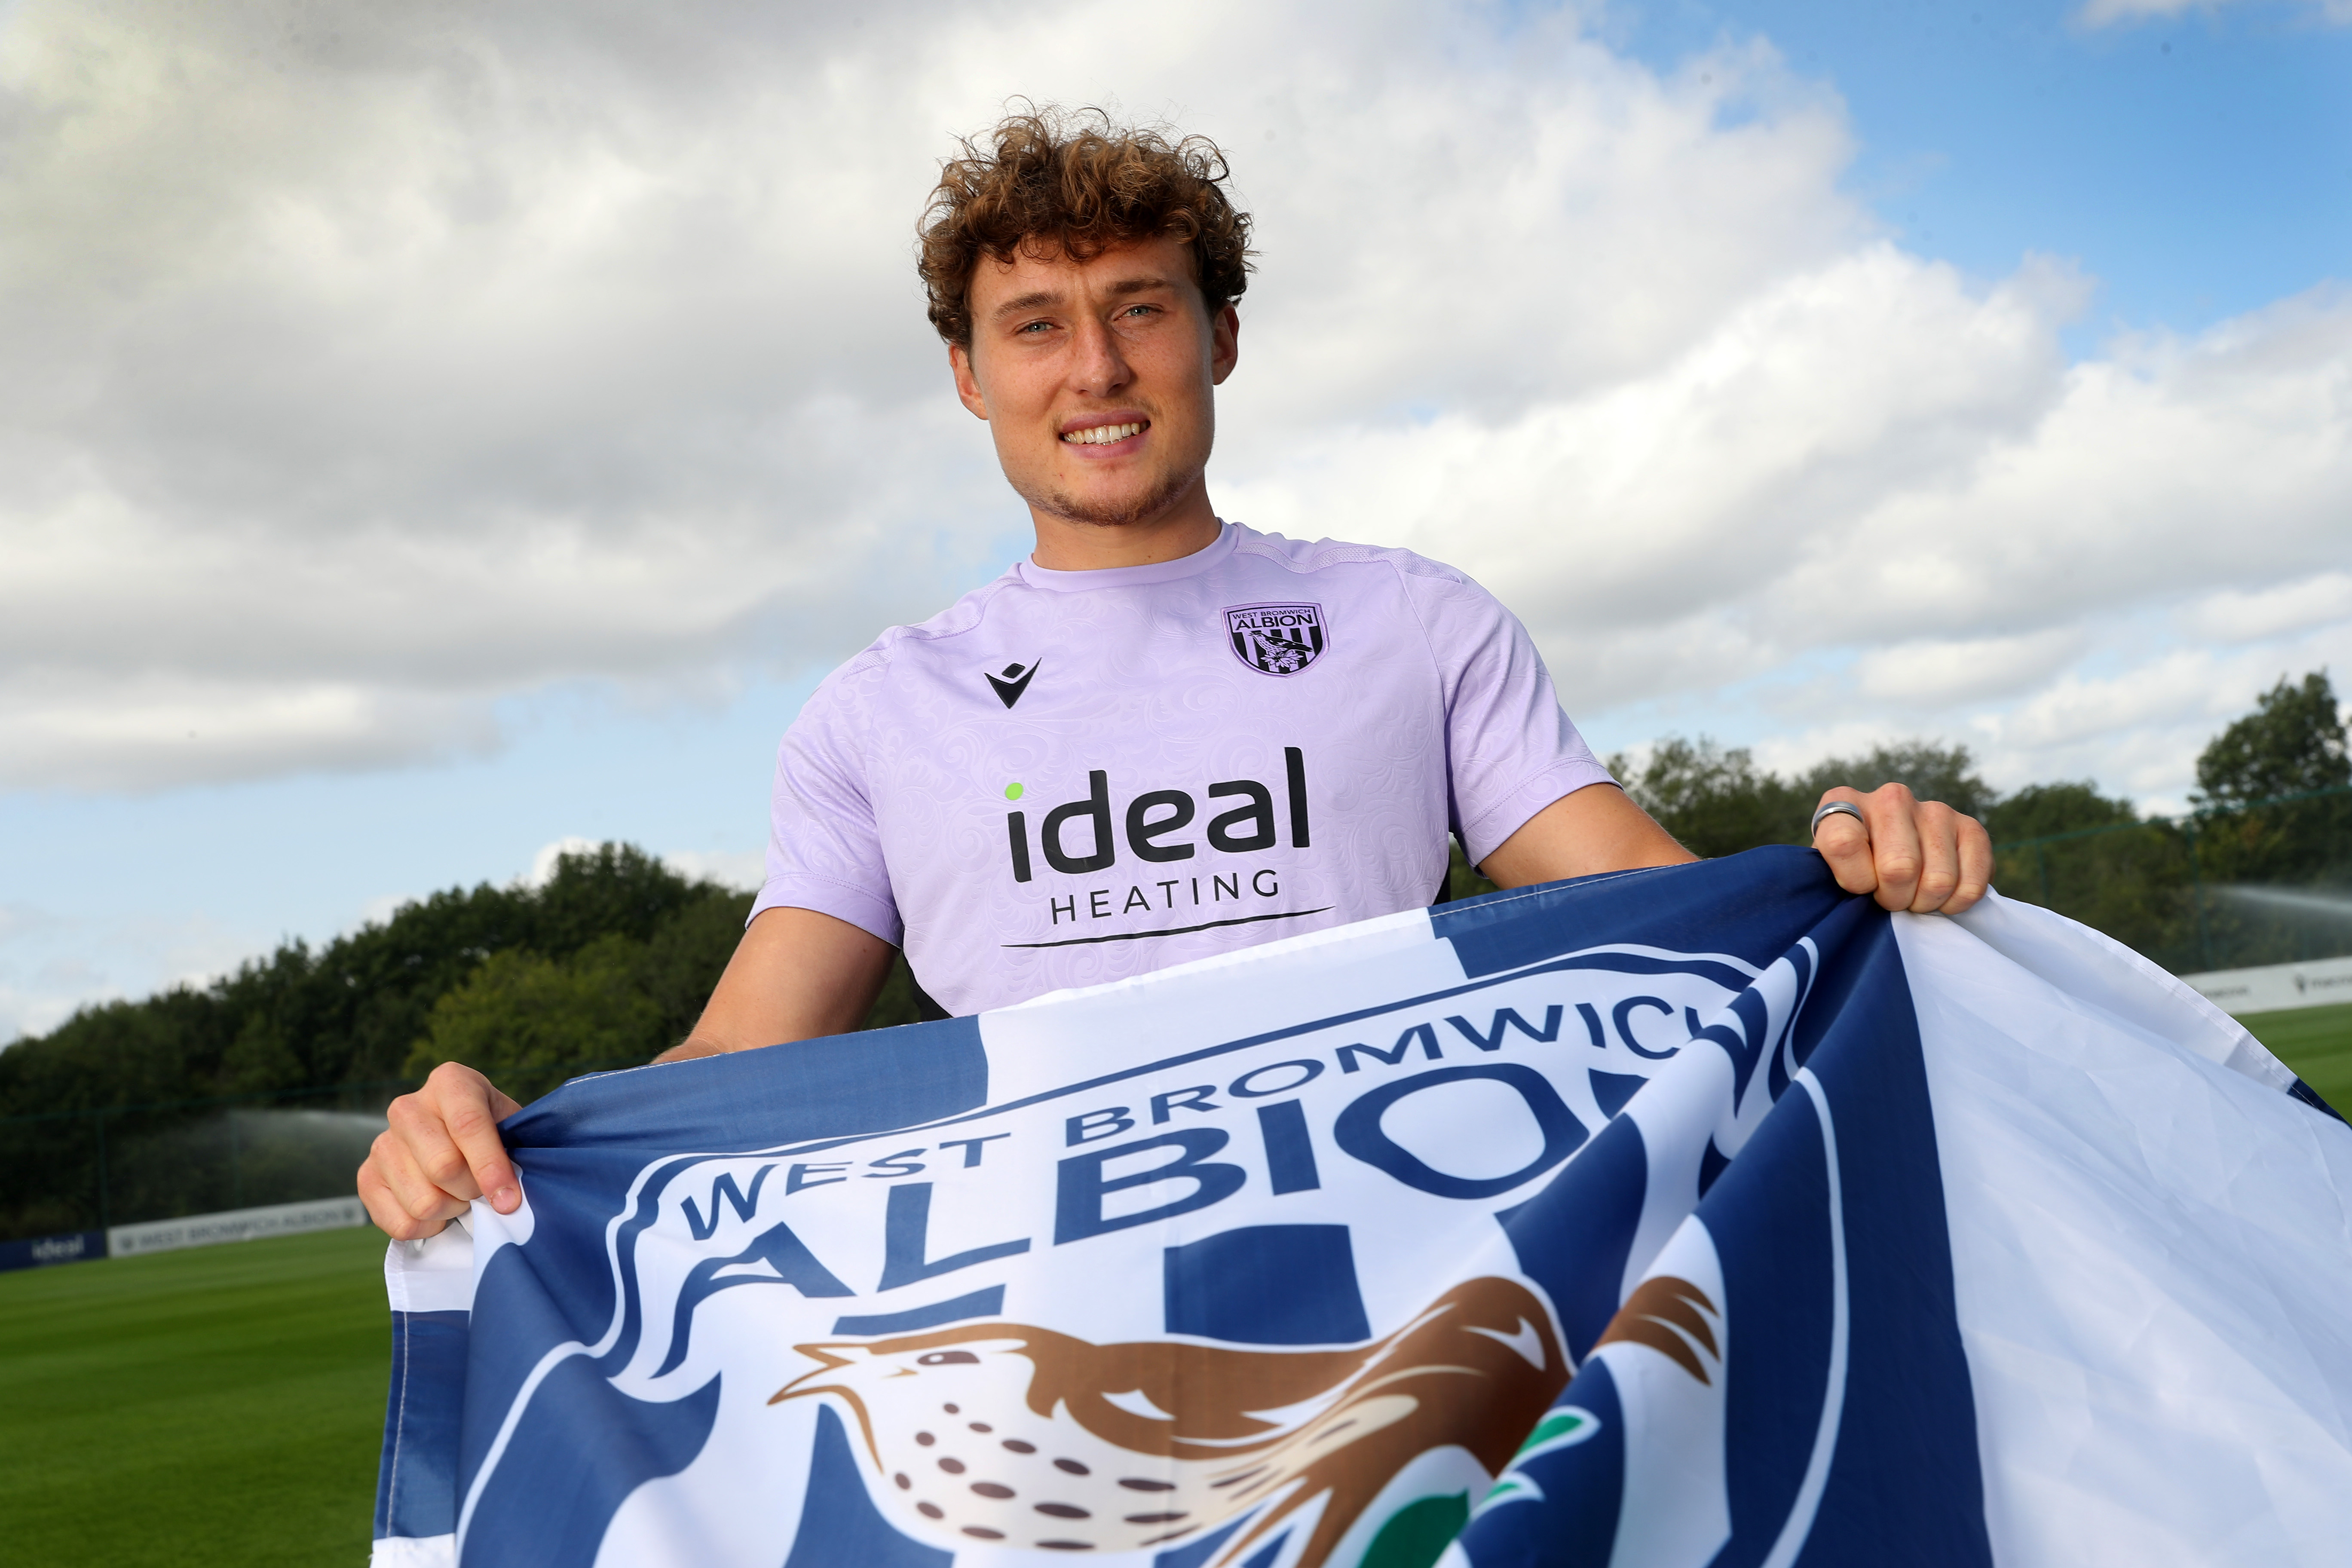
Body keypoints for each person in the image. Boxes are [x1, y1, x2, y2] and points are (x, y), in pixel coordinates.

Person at [359, 110, 1991, 1241]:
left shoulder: (1409, 621)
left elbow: (1663, 916)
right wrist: (510, 1121)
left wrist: (1842, 863)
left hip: (1428, 1289)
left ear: (1221, 335)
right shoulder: (880, 711)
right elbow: (740, 1064)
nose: (1097, 370)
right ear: (966, 374)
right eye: (1036, 325)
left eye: (1142, 308)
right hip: (1060, 1327)